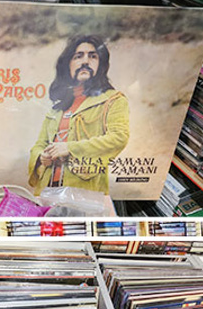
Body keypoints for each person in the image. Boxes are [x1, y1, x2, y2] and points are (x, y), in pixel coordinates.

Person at [28, 35, 129, 195]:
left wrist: (69, 148)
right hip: (47, 189)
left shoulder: (113, 100)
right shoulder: (57, 109)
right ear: (68, 64)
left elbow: (118, 137)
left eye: (93, 56)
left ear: (100, 64)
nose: (85, 61)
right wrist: (41, 157)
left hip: (85, 191)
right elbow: (40, 144)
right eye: (78, 56)